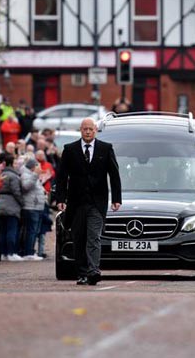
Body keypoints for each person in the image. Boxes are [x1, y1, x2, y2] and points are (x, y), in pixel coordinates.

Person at [55, 117, 122, 286]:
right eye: (84, 129)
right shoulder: (70, 149)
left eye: (90, 129)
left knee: (94, 237)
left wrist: (116, 198)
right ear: (80, 130)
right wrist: (60, 199)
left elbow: (114, 174)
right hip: (76, 203)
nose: (87, 131)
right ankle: (83, 273)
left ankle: (94, 270)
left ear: (95, 130)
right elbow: (62, 176)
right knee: (79, 239)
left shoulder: (106, 148)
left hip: (97, 202)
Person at [0, 153, 23, 261]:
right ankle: (11, 252)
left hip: (0, 203)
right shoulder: (13, 176)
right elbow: (16, 191)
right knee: (11, 229)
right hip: (11, 205)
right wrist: (22, 203)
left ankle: (2, 253)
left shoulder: (0, 174)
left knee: (2, 230)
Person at [20, 158, 47, 261]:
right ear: (33, 166)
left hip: (37, 207)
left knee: (35, 231)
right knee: (31, 231)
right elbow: (26, 186)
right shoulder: (26, 175)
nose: (39, 168)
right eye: (37, 166)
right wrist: (35, 175)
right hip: (31, 207)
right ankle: (28, 252)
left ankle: (31, 251)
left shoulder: (32, 175)